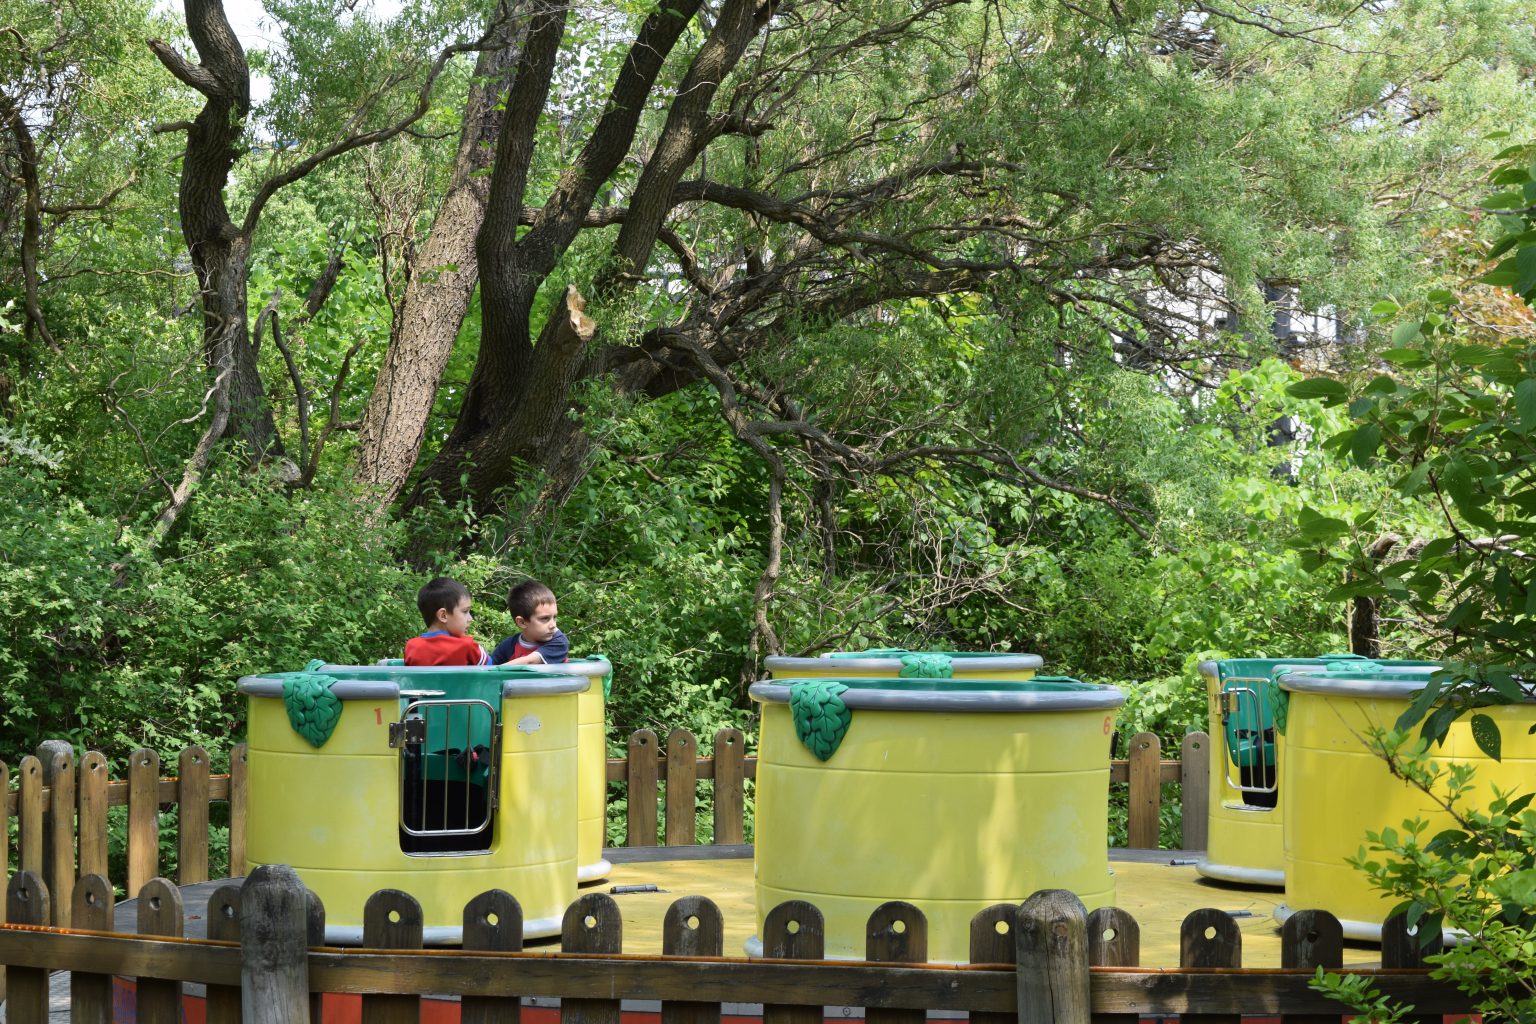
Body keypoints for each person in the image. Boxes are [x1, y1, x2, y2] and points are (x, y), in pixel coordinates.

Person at [404, 577, 491, 666]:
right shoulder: (467, 646)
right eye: (465, 611)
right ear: (443, 615)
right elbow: (492, 669)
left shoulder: (411, 647)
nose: (470, 618)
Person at [491, 580, 569, 665]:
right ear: (522, 622)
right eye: (545, 618)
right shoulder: (509, 646)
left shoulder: (559, 642)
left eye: (554, 617)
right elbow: (488, 666)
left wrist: (497, 670)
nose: (553, 625)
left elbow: (529, 661)